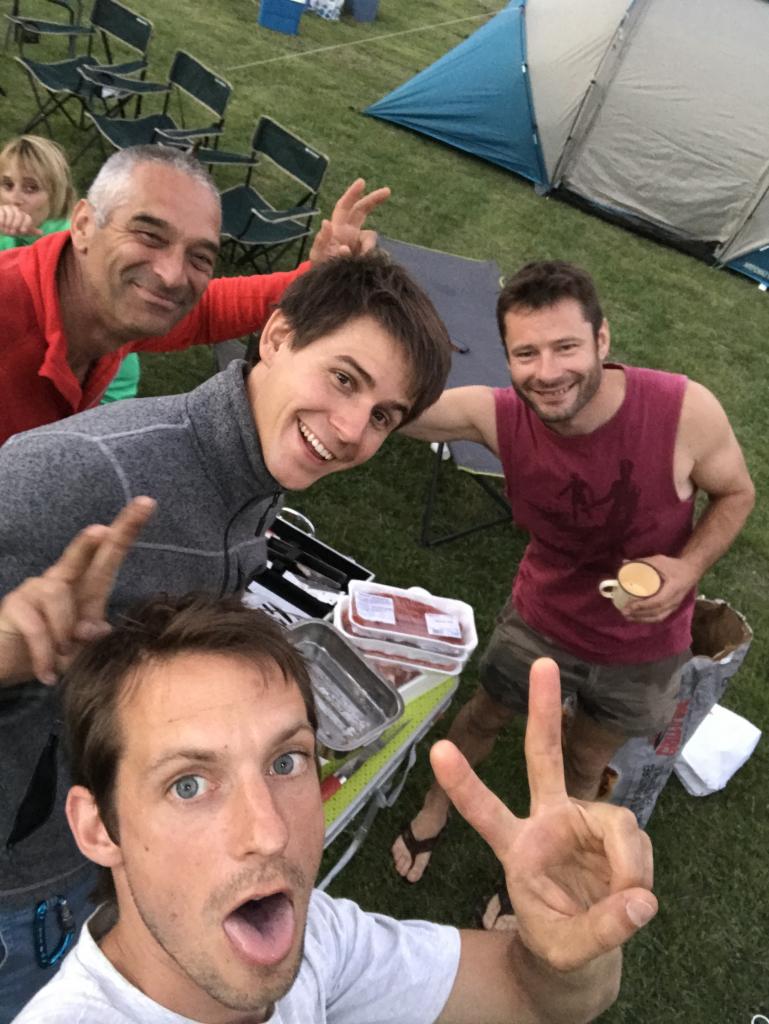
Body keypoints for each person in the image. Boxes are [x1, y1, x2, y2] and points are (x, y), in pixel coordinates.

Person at [0, 250, 452, 1020]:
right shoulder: (75, 475)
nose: (351, 430)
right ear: (275, 337)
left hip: (113, 842)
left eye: (384, 415)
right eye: (343, 379)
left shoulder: (255, 474)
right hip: (22, 884)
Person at [0, 552, 659, 1023]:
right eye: (189, 784)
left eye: (286, 762)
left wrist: (568, 941)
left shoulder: (320, 939)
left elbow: (531, 996)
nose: (269, 832)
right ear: (98, 828)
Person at [391, 260, 755, 925]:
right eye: (526, 353)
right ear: (507, 357)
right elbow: (394, 408)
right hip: (540, 619)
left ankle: (539, 869)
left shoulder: (682, 411)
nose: (547, 371)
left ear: (602, 340)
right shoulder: (499, 416)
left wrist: (685, 570)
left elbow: (737, 493)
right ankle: (436, 806)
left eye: (566, 347)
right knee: (483, 717)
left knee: (584, 765)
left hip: (644, 647)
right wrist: (343, 294)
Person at [0, 143, 389, 444]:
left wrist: (315, 277)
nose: (171, 276)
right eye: (149, 235)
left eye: (200, 257)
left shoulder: (106, 303)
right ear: (84, 224)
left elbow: (209, 312)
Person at [0, 134, 141, 405]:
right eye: (7, 185)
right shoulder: (4, 233)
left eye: (31, 188)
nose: (15, 199)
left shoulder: (77, 248)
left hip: (97, 393)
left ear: (56, 194)